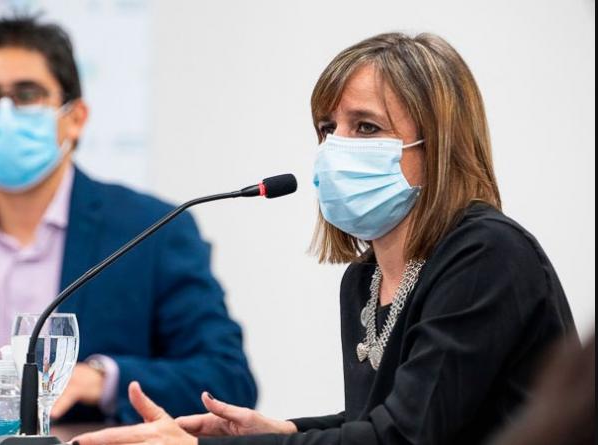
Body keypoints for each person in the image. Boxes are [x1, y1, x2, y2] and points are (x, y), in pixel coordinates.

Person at [71, 32, 576, 444]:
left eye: (366, 127)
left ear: (439, 146)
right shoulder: (364, 280)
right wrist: (280, 431)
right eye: (328, 127)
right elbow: (375, 419)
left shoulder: (486, 255)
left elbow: (404, 437)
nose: (336, 148)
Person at [0, 16, 257, 423]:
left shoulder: (153, 230)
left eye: (27, 94)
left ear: (75, 118)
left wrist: (103, 379)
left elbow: (228, 379)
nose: (5, 112)